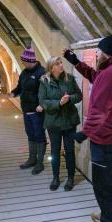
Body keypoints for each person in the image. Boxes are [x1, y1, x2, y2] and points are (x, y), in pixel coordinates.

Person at [63, 35, 112, 222]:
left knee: (103, 185)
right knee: (109, 179)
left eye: (98, 51)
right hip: (110, 136)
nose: (96, 55)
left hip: (105, 138)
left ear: (106, 51)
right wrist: (75, 62)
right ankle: (109, 214)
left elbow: (101, 108)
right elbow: (95, 76)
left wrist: (84, 133)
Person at [39, 56, 82, 191]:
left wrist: (69, 99)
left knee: (69, 150)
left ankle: (70, 177)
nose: (61, 65)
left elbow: (79, 95)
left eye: (61, 62)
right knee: (55, 151)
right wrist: (58, 103)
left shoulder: (69, 78)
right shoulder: (44, 81)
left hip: (69, 120)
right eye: (57, 64)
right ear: (51, 68)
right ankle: (56, 177)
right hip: (53, 122)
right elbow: (43, 101)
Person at [9, 47, 46, 175]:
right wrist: (14, 93)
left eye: (24, 62)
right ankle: (32, 159)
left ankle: (40, 162)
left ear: (31, 61)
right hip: (26, 109)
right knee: (30, 134)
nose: (23, 64)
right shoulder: (24, 72)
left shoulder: (42, 73)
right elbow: (20, 87)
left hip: (37, 111)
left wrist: (41, 105)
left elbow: (45, 92)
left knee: (39, 135)